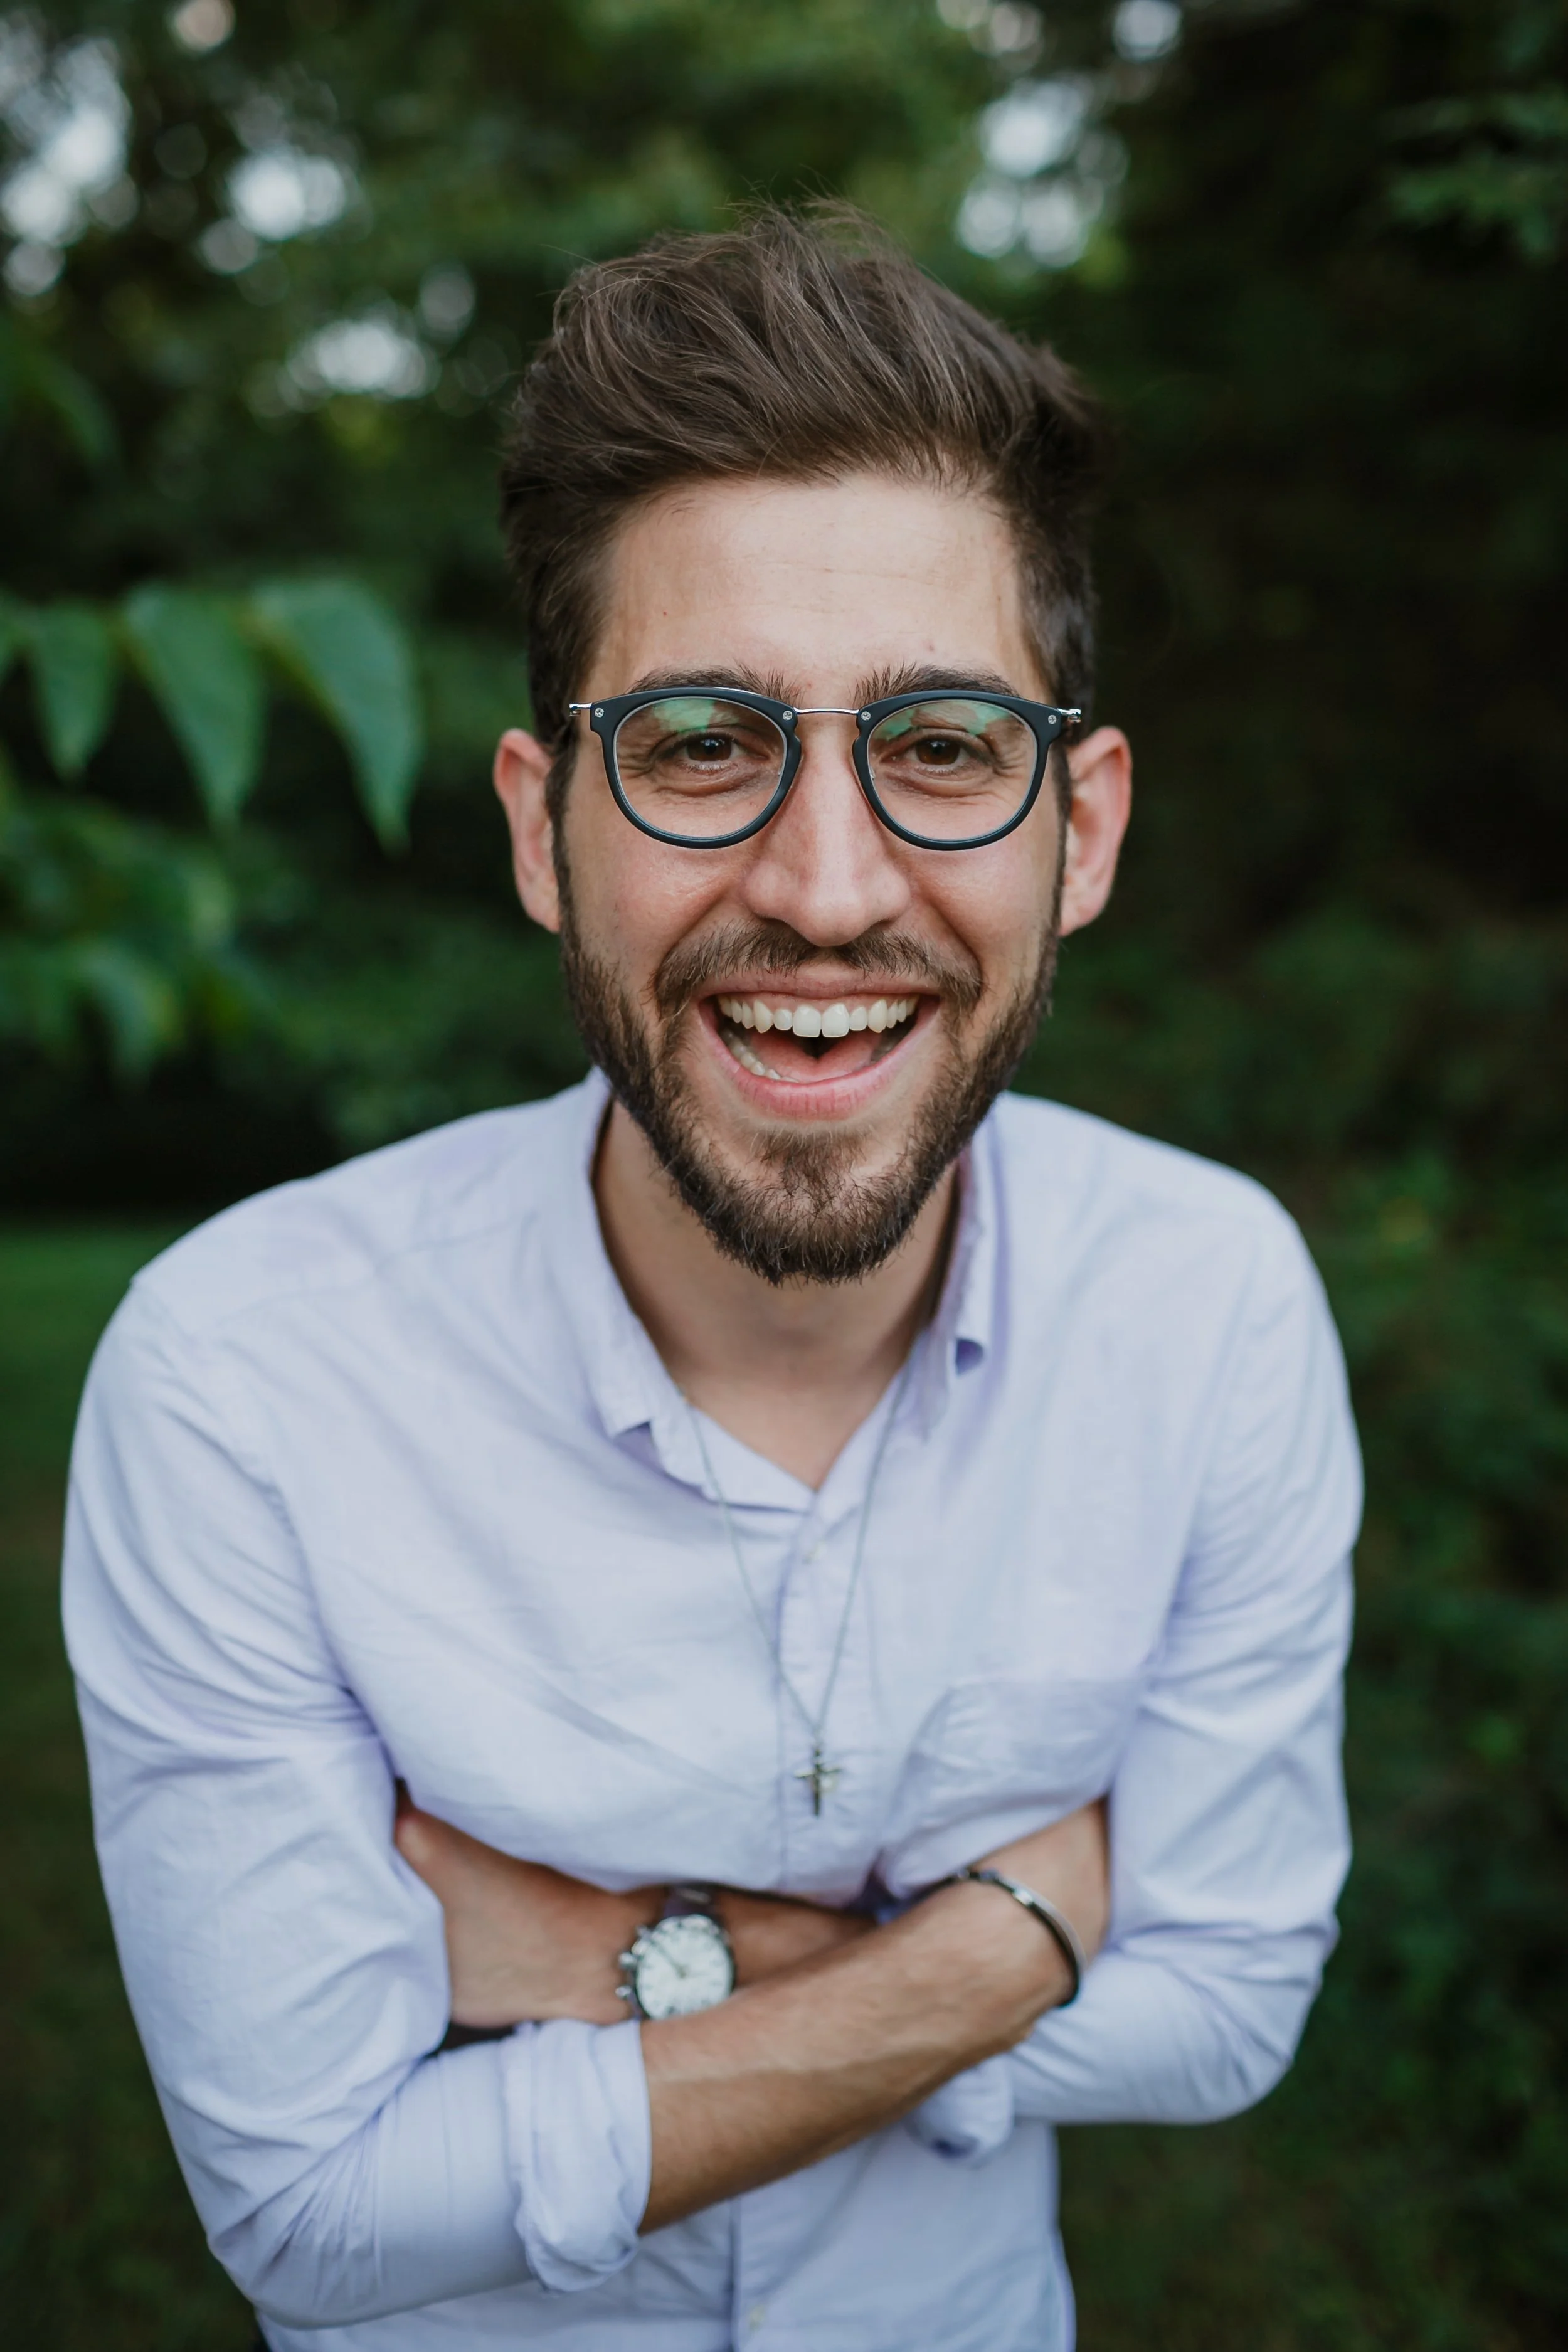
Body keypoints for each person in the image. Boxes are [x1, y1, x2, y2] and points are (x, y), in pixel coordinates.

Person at [63, 210, 1360, 2351]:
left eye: (941, 743)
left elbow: (1225, 2001)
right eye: (696, 742)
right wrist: (1010, 1933)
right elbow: (303, 2204)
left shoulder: (1204, 1305)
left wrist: (610, 1954)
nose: (825, 885)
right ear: (541, 821)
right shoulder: (242, 1370)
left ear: (1085, 830)